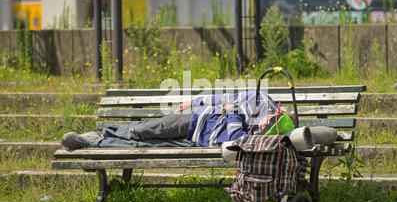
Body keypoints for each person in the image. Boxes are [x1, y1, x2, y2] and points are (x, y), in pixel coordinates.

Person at [61, 90, 283, 150]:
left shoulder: (259, 139)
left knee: (142, 146)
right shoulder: (260, 100)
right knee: (143, 131)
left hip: (198, 143)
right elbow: (223, 99)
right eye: (270, 123)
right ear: (276, 112)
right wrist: (194, 102)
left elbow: (235, 140)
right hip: (194, 121)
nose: (266, 128)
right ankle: (106, 132)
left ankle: (92, 142)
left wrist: (232, 112)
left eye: (270, 130)